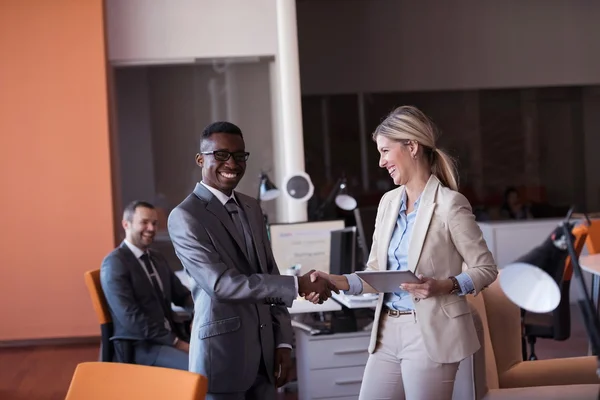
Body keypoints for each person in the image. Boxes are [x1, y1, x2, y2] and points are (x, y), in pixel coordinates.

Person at [308, 106, 498, 400]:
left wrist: (445, 285)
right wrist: (333, 280)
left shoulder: (449, 204)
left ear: (412, 146)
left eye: (385, 151)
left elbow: (486, 269)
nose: (381, 162)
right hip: (386, 330)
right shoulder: (387, 203)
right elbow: (375, 275)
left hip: (429, 331)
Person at [167, 121, 337, 400]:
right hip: (222, 355)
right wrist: (298, 285)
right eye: (220, 155)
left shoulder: (251, 207)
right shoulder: (186, 216)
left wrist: (283, 341)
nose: (231, 163)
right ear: (200, 159)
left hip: (266, 354)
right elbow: (221, 285)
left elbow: (268, 271)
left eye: (239, 155)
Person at [101, 201, 193, 370]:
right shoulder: (115, 264)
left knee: (221, 355)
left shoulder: (156, 258)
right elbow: (131, 319)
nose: (151, 228)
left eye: (154, 223)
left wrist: (197, 314)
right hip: (143, 347)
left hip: (172, 334)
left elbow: (181, 295)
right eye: (144, 222)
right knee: (202, 367)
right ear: (126, 224)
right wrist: (177, 343)